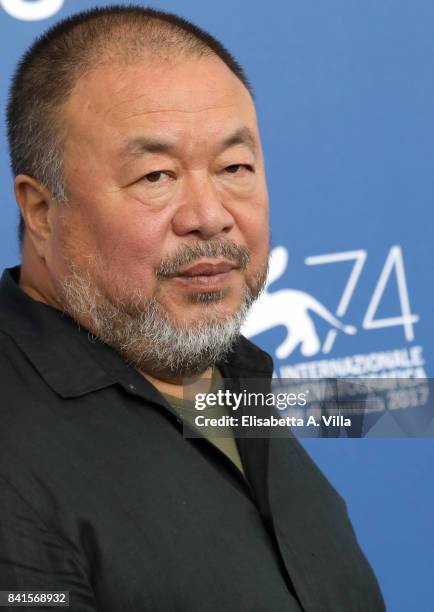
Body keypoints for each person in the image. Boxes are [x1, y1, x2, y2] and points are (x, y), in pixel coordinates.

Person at [0, 6, 385, 611]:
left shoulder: (227, 373)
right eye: (156, 176)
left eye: (234, 168)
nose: (208, 215)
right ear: (42, 211)